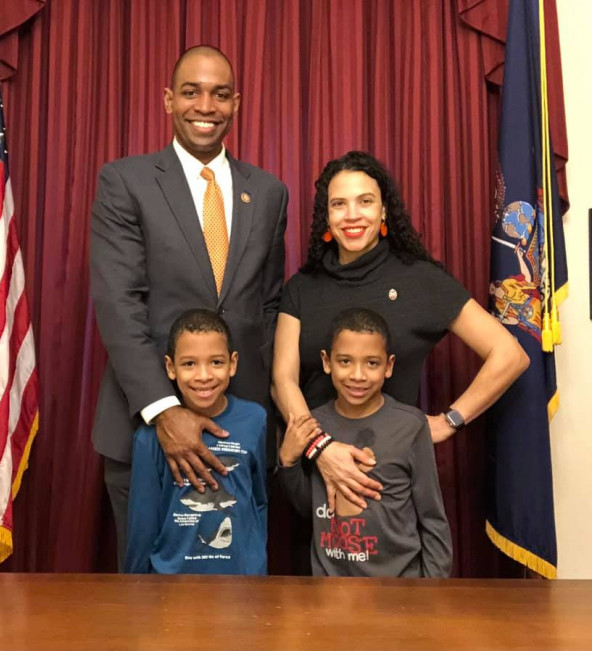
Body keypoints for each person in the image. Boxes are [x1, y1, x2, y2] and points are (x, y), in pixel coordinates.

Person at [90, 45, 287, 565]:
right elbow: (119, 304)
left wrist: (264, 419)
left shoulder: (268, 193)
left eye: (220, 94)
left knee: (239, 595)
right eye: (191, 91)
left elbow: (266, 308)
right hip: (146, 430)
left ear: (236, 103)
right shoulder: (125, 182)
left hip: (239, 433)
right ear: (168, 100)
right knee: (148, 602)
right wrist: (165, 410)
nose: (206, 105)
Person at [272, 150, 529, 513]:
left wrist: (448, 422)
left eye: (365, 201)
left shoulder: (419, 279)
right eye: (339, 204)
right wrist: (321, 448)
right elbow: (282, 379)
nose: (352, 215)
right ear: (326, 216)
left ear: (383, 211)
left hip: (391, 480)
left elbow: (510, 355)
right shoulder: (302, 287)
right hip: (317, 477)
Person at [278, 308, 452, 577]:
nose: (357, 375)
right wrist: (288, 463)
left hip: (400, 589)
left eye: (371, 363)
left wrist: (431, 592)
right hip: (331, 588)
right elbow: (308, 506)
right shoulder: (312, 424)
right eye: (345, 361)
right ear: (327, 362)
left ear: (389, 366)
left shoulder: (410, 426)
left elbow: (432, 518)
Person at [125, 309, 267, 574]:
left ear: (233, 363)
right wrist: (135, 591)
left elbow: (258, 502)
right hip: (171, 582)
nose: (204, 376)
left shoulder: (255, 419)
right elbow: (142, 525)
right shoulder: (149, 437)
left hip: (242, 583)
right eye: (189, 364)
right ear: (170, 367)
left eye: (216, 362)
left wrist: (257, 570)